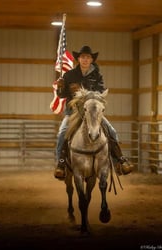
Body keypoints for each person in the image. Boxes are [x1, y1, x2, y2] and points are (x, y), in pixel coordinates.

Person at [54, 45, 134, 179]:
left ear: (91, 60)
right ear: (78, 59)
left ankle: (119, 161)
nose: (85, 59)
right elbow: (62, 96)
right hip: (73, 112)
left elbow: (100, 93)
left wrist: (85, 95)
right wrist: (60, 88)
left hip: (92, 112)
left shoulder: (97, 76)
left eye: (88, 57)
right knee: (62, 132)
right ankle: (60, 164)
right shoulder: (69, 75)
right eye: (83, 57)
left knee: (111, 131)